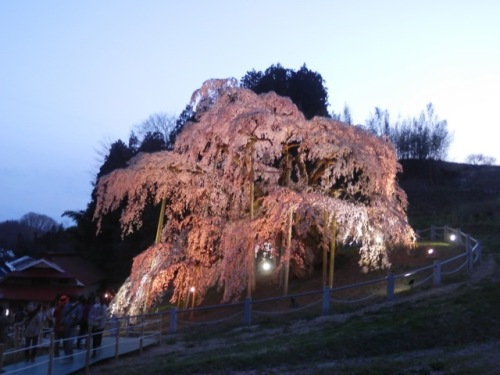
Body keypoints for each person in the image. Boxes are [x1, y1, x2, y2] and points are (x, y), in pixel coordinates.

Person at [61, 295, 83, 363]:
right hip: (66, 325)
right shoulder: (66, 305)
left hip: (72, 326)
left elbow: (79, 318)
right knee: (65, 342)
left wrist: (75, 318)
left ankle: (69, 357)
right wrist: (62, 323)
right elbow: (63, 315)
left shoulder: (79, 307)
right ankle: (67, 356)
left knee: (69, 342)